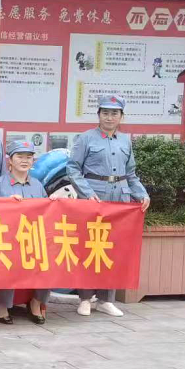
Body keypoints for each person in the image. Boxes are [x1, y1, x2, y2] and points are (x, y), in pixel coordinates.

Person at [67, 94, 150, 318]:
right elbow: (73, 169)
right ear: (98, 115)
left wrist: (141, 194)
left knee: (112, 249)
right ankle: (85, 298)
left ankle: (106, 299)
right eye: (105, 113)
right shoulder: (86, 138)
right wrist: (87, 193)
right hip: (94, 198)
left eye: (114, 113)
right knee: (89, 247)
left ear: (122, 116)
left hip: (119, 200)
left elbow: (131, 174)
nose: (109, 117)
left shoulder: (125, 141)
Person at [0, 140, 49, 325]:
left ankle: (36, 302)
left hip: (33, 237)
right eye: (20, 156)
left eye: (29, 157)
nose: (24, 161)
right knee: (7, 259)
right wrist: (6, 203)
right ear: (10, 160)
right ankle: (2, 305)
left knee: (49, 260)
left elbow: (47, 212)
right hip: (7, 237)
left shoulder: (38, 185)